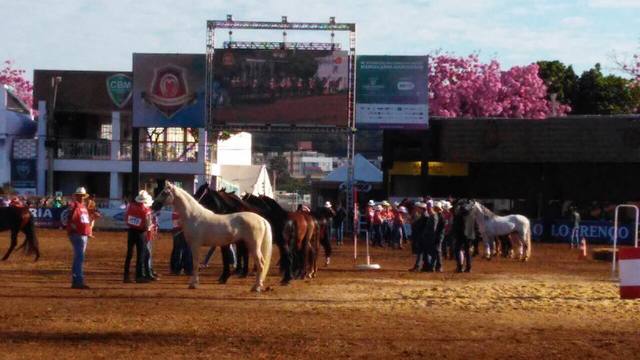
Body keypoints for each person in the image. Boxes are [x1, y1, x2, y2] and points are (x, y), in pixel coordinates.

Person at [123, 190, 153, 283]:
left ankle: (126, 275)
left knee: (129, 254)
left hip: (131, 231)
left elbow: (126, 218)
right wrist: (151, 226)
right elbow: (148, 226)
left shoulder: (131, 207)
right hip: (141, 233)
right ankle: (139, 275)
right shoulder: (146, 210)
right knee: (140, 255)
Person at [66, 187, 92, 289]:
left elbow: (84, 221)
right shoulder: (75, 205)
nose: (82, 198)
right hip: (78, 234)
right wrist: (75, 228)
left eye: (83, 196)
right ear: (77, 196)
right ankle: (78, 280)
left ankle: (77, 279)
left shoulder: (82, 206)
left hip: (82, 234)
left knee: (79, 257)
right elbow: (70, 218)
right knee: (79, 257)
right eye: (80, 196)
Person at [170, 211, 193, 275]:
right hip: (182, 231)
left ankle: (176, 268)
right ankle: (187, 268)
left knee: (178, 249)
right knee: (185, 250)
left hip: (179, 231)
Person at [454, 201, 474, 273]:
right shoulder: (470, 215)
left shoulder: (458, 215)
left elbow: (456, 226)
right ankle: (469, 268)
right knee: (467, 252)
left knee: (457, 250)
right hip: (468, 236)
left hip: (460, 235)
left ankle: (459, 267)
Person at [409, 202, 428, 271]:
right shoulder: (423, 216)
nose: (417, 210)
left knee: (422, 252)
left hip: (423, 237)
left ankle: (419, 266)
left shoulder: (425, 217)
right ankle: (423, 266)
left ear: (422, 209)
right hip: (422, 237)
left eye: (419, 208)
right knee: (422, 252)